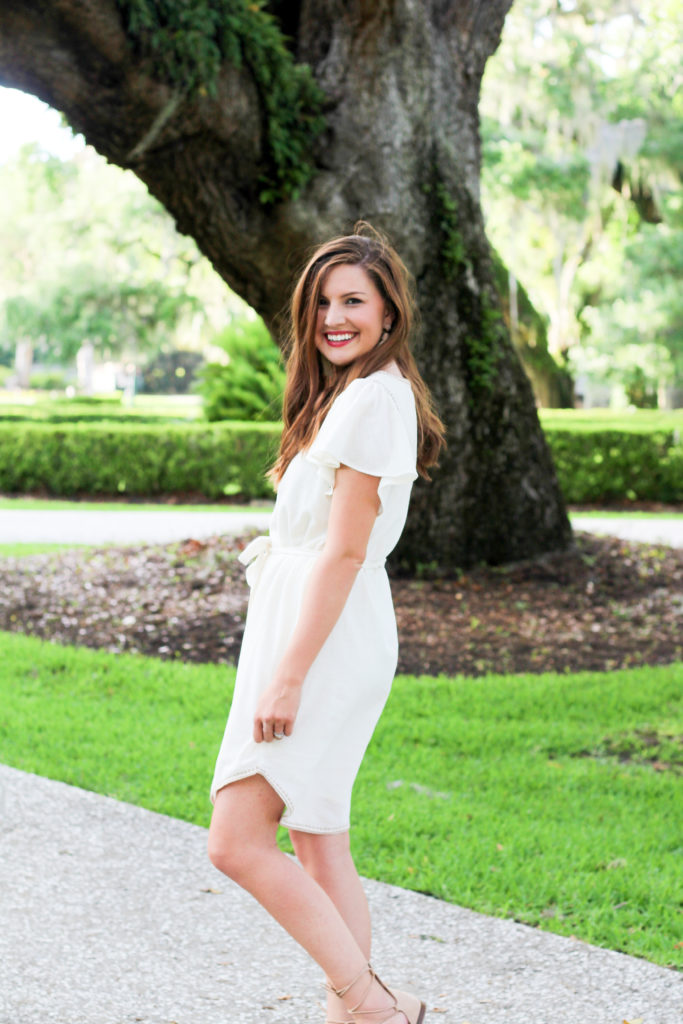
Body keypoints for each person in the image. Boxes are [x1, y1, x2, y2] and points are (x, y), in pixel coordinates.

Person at [208, 223, 445, 1024]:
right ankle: (364, 1013)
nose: (333, 318)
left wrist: (287, 673)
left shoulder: (374, 400)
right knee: (317, 835)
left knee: (236, 841)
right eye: (322, 303)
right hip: (319, 626)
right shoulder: (353, 397)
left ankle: (374, 1004)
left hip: (324, 637)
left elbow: (344, 553)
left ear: (389, 315)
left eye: (354, 302)